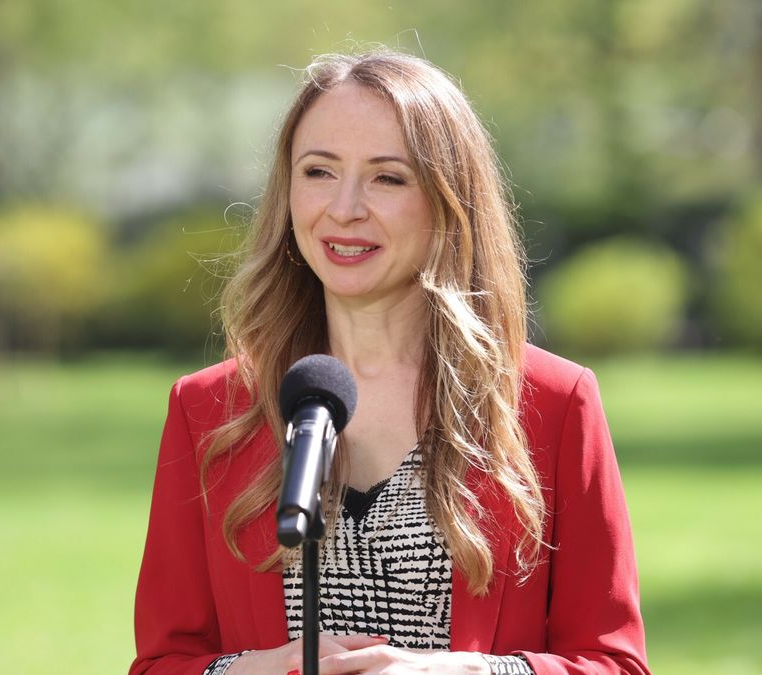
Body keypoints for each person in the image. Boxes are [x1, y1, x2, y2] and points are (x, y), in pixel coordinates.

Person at [130, 49, 650, 675]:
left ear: (448, 201)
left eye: (388, 177)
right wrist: (255, 670)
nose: (344, 207)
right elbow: (164, 662)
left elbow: (613, 662)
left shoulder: (553, 403)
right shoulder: (209, 409)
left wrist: (469, 673)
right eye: (318, 171)